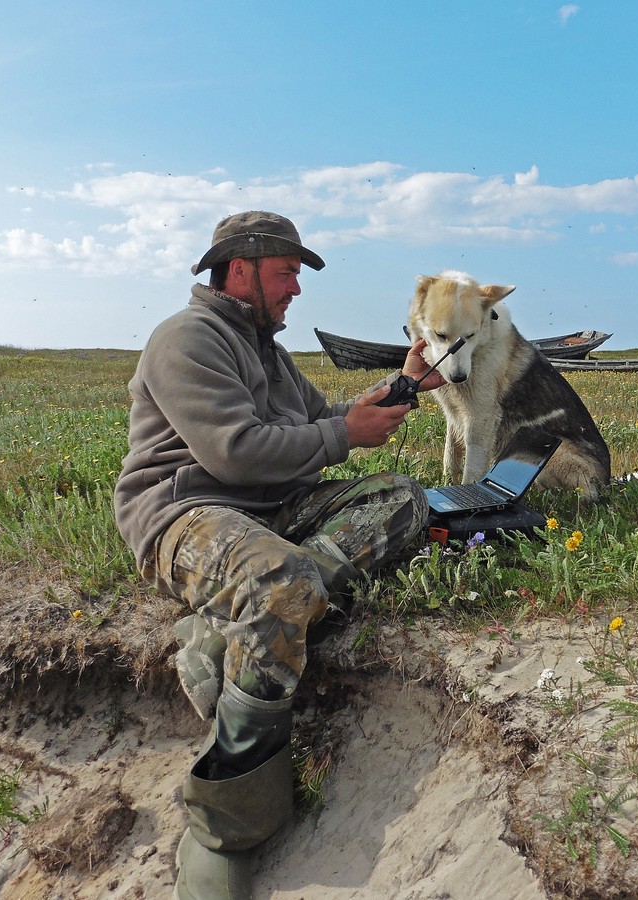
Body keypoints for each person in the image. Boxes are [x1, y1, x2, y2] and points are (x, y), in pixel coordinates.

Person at [113, 211, 443, 900]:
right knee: (280, 578)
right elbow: (233, 452)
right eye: (288, 271)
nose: (296, 288)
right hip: (189, 515)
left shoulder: (270, 352)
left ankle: (217, 633)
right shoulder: (186, 339)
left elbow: (324, 425)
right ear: (242, 267)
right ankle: (223, 826)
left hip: (272, 508)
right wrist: (341, 435)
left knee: (406, 499)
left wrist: (402, 387)